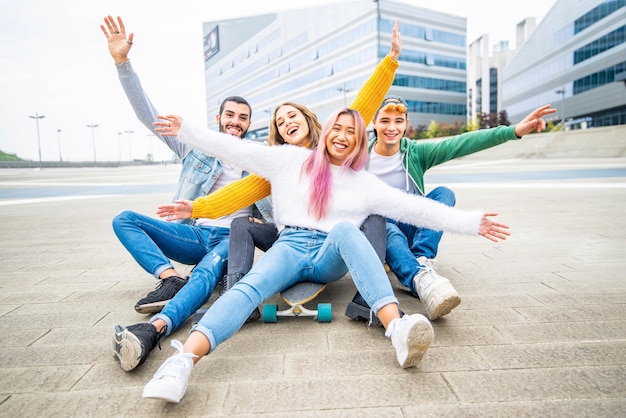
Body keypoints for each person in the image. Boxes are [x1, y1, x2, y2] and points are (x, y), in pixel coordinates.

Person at [139, 107, 510, 403]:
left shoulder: (364, 183)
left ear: (360, 141)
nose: (343, 137)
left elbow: (417, 209)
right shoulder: (289, 161)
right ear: (327, 130)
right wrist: (185, 130)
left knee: (347, 229)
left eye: (353, 132)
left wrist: (472, 222)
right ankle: (182, 361)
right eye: (338, 128)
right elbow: (235, 149)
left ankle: (395, 328)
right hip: (290, 244)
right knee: (247, 287)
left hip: (331, 252)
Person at [162, 20, 402, 326]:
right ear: (280, 135)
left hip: (330, 242)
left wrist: (390, 62)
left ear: (307, 118)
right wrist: (197, 207)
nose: (286, 122)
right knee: (241, 224)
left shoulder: (331, 150)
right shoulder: (281, 165)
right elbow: (239, 193)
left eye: (292, 115)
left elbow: (361, 110)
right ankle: (236, 298)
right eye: (280, 122)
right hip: (290, 241)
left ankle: (366, 302)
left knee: (372, 213)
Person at [101, 15, 272, 372]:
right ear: (219, 117)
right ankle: (168, 278)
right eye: (230, 115)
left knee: (206, 273)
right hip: (194, 233)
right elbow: (149, 117)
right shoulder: (195, 148)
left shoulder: (258, 160)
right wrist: (123, 64)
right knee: (125, 220)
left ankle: (159, 326)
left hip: (232, 238)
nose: (235, 122)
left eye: (243, 118)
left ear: (248, 124)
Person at [344, 98, 557, 322]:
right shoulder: (359, 158)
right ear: (374, 123)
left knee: (444, 194)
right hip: (379, 232)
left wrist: (513, 131)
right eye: (385, 121)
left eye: (398, 121)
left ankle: (421, 259)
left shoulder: (415, 153)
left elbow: (461, 143)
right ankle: (419, 279)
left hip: (409, 226)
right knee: (383, 220)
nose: (391, 128)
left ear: (406, 124)